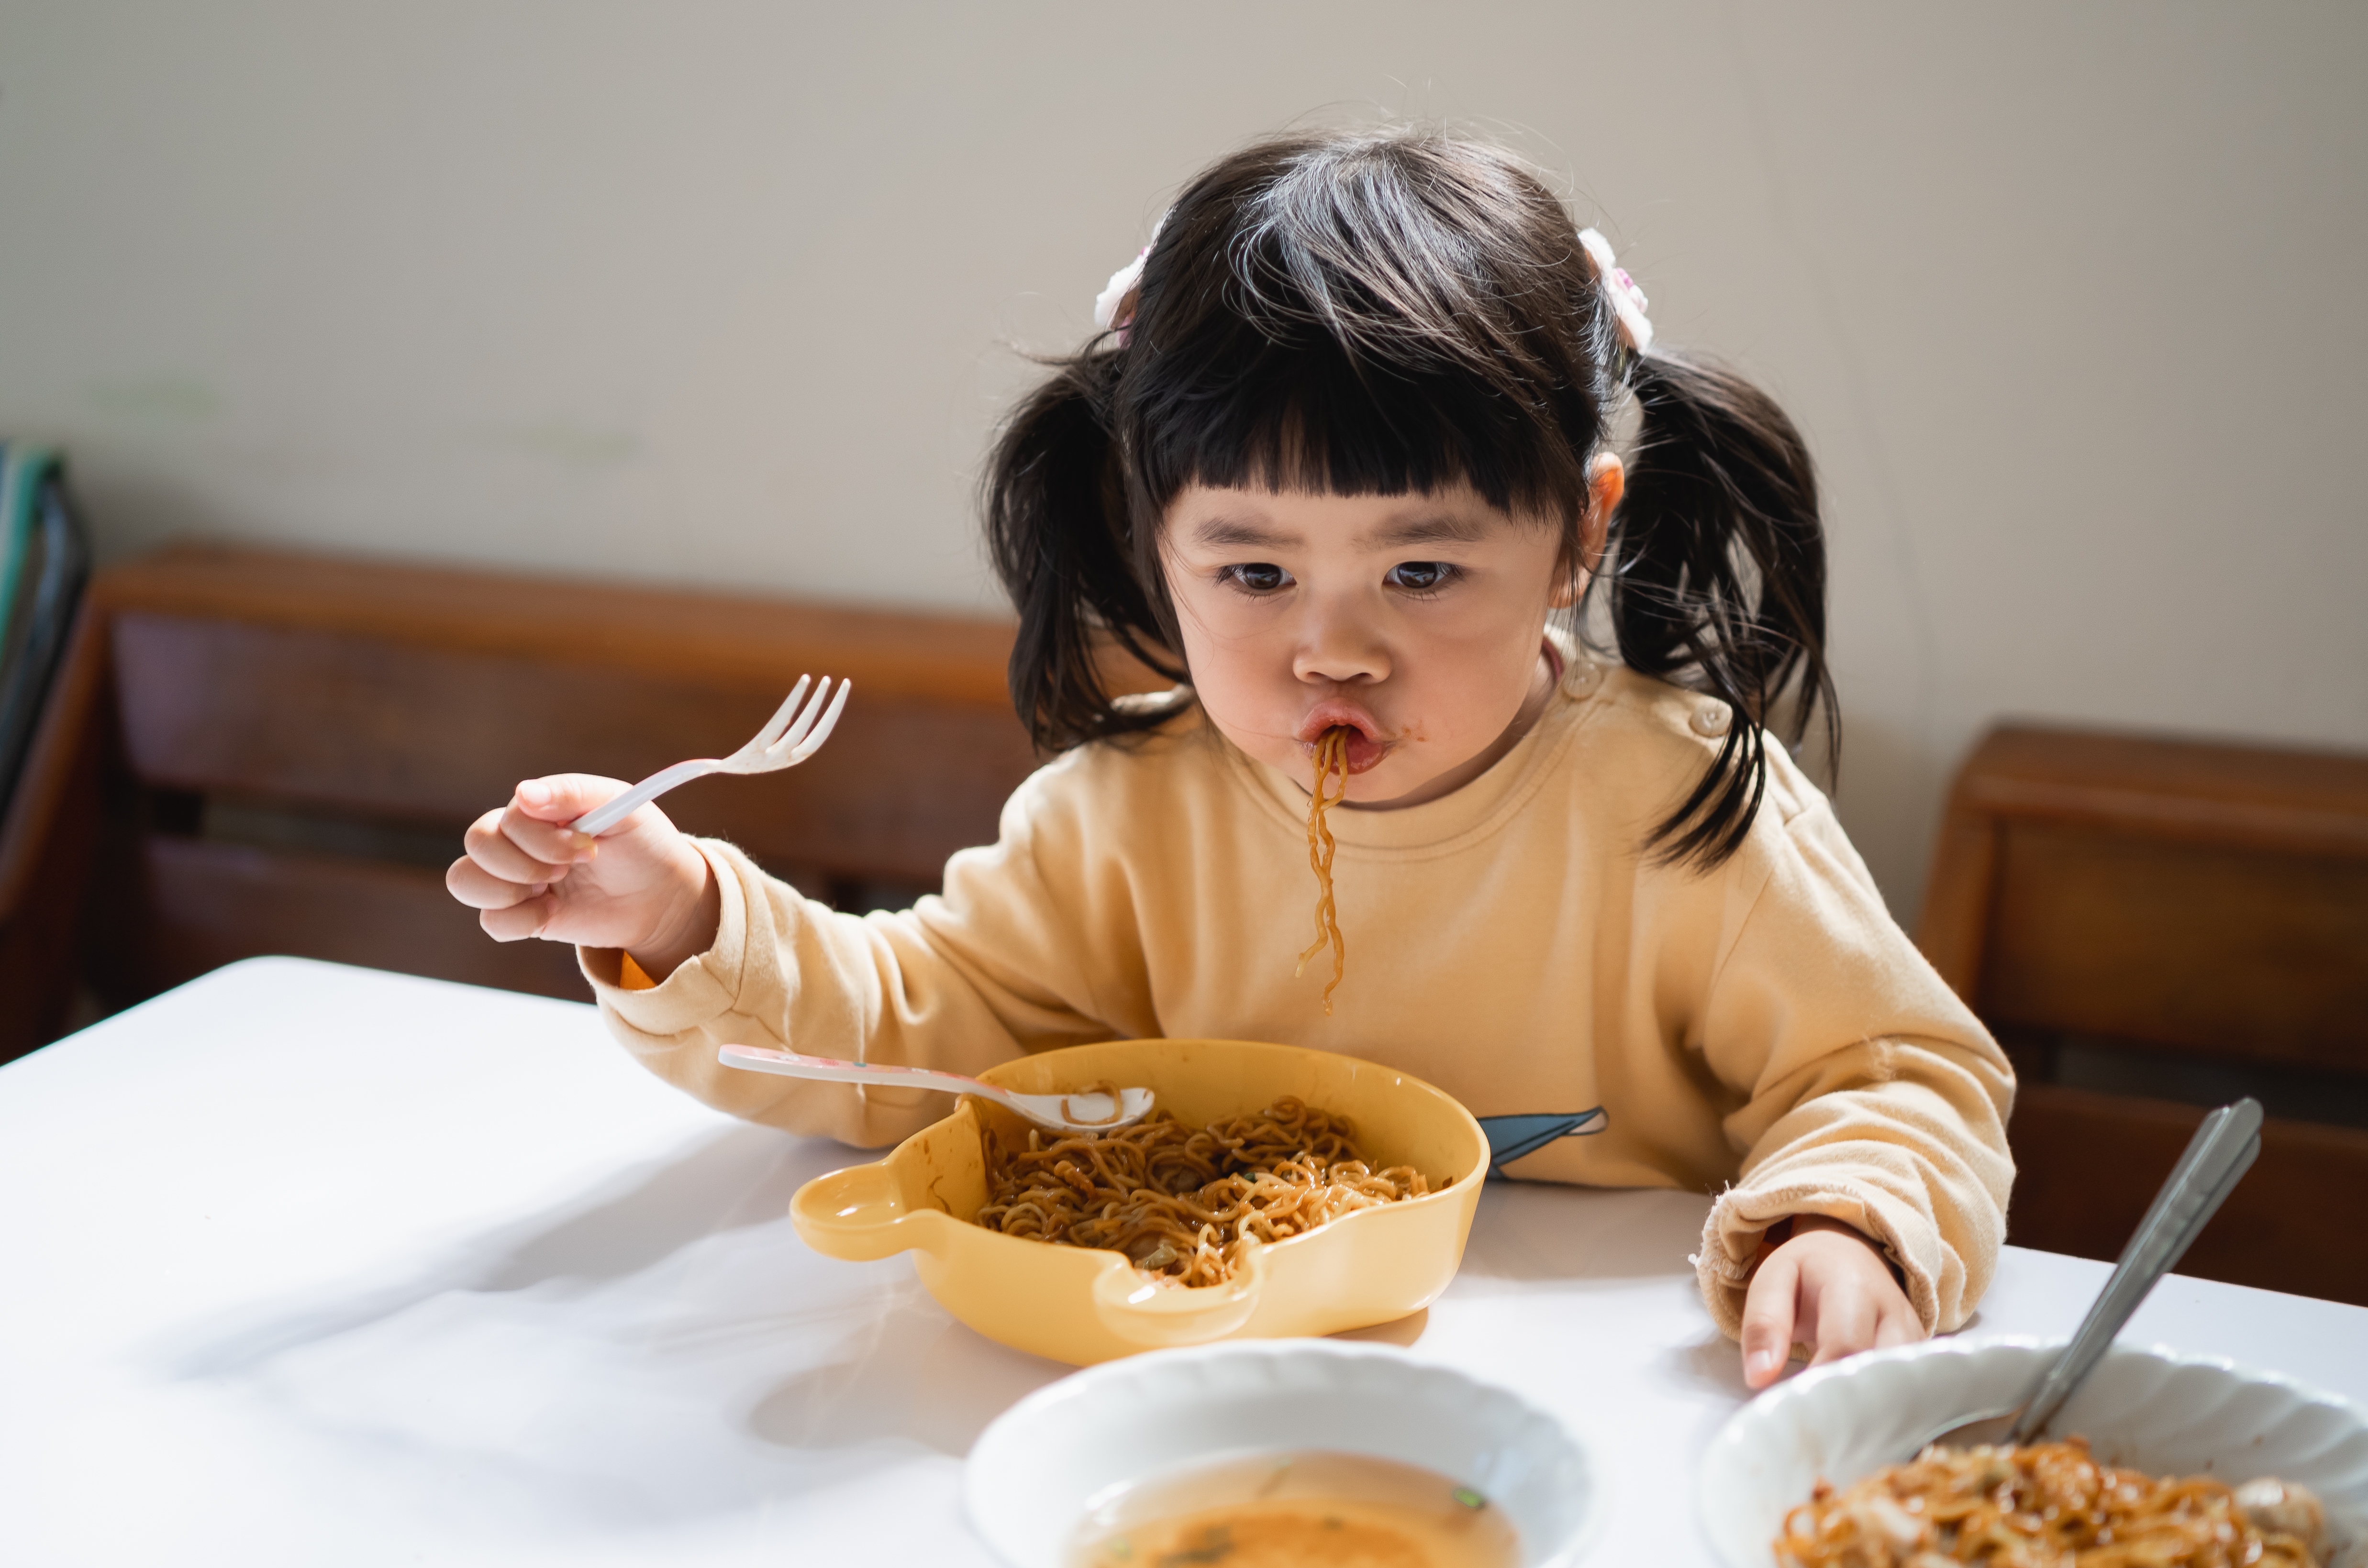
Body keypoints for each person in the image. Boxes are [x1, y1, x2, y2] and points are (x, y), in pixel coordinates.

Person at [446, 126, 2011, 1389]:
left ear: (1576, 537)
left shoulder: (1680, 808)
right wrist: (680, 920)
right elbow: (917, 1036)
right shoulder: (1127, 813)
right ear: (1157, 542)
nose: (1334, 649)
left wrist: (1848, 1222)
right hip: (1184, 1387)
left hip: (1605, 1399)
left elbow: (1895, 1073)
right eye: (1255, 575)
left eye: (1421, 572)